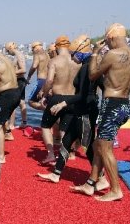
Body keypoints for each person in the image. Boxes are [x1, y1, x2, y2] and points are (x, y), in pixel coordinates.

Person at [73, 23, 130, 201]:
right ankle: (91, 183)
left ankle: (115, 189)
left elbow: (93, 75)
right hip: (125, 104)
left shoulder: (112, 54)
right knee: (98, 144)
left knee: (105, 148)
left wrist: (96, 52)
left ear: (111, 38)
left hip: (111, 104)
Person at [37, 35, 103, 183]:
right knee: (66, 139)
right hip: (77, 107)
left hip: (83, 109)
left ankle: (102, 177)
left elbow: (86, 94)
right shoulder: (84, 66)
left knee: (87, 145)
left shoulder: (87, 68)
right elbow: (98, 89)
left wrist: (61, 103)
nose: (73, 56)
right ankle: (56, 174)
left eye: (74, 53)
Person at [38, 35, 81, 163]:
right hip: (71, 98)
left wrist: (43, 93)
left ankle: (51, 154)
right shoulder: (77, 62)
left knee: (45, 126)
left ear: (56, 47)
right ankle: (67, 154)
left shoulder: (54, 61)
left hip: (57, 97)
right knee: (65, 129)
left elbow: (50, 80)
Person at [4, 41, 29, 129]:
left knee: (12, 103)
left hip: (18, 81)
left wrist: (10, 73)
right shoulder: (18, 54)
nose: (7, 52)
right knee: (22, 102)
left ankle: (11, 125)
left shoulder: (18, 55)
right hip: (21, 80)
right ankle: (24, 122)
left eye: (7, 50)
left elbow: (23, 69)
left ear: (11, 47)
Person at [27, 41, 50, 110]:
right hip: (48, 82)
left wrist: (29, 76)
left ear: (35, 48)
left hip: (41, 81)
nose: (32, 51)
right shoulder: (48, 54)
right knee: (45, 101)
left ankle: (48, 110)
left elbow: (34, 66)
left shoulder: (37, 54)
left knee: (31, 102)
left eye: (32, 49)